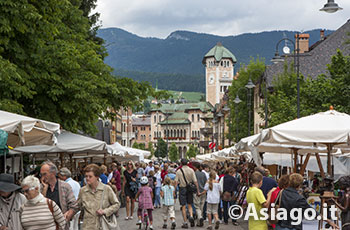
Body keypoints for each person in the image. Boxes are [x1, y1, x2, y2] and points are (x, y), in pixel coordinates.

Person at [77, 164, 120, 230]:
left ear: (97, 177)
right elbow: (77, 206)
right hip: (88, 226)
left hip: (102, 225)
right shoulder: (83, 191)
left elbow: (116, 204)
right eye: (86, 176)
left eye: (90, 176)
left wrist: (105, 211)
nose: (87, 179)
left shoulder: (106, 189)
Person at [40, 161, 79, 230]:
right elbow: (39, 206)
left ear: (53, 173)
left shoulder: (65, 186)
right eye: (41, 175)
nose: (43, 177)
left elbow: (74, 206)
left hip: (61, 226)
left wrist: (66, 218)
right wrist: (44, 189)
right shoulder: (41, 187)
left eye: (45, 174)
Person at [175, 158, 200, 228]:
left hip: (182, 188)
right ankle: (191, 215)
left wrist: (174, 191)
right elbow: (195, 181)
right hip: (189, 188)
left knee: (183, 206)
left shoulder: (178, 171)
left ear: (181, 163)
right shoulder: (191, 170)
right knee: (190, 204)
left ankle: (185, 222)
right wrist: (197, 190)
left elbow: (176, 182)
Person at [192, 161, 207, 227]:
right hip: (203, 192)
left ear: (195, 167)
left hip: (196, 192)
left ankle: (200, 217)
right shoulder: (203, 174)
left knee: (197, 207)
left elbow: (193, 183)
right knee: (201, 207)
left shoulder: (194, 174)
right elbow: (206, 183)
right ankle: (199, 222)